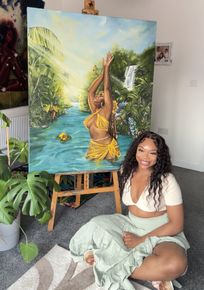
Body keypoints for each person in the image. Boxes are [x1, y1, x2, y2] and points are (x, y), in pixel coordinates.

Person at [69, 131, 190, 290]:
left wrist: (141, 240)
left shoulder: (167, 180)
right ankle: (151, 273)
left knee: (175, 264)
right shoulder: (126, 169)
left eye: (152, 152)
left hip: (162, 232)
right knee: (94, 225)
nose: (145, 157)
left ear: (159, 156)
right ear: (135, 150)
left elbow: (176, 225)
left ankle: (110, 261)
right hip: (131, 223)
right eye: (141, 150)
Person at [83, 52, 120, 161]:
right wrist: (103, 72)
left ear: (105, 101)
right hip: (94, 147)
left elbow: (106, 89)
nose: (98, 95)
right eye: (98, 94)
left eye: (101, 95)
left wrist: (107, 68)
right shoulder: (94, 111)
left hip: (107, 148)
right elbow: (90, 91)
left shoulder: (107, 110)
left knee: (110, 170)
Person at [0, 19, 27, 93]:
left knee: (21, 83)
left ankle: (1, 89)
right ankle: (22, 78)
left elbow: (16, 66)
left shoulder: (12, 51)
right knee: (10, 59)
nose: (10, 37)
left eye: (11, 35)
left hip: (5, 81)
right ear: (4, 35)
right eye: (8, 35)